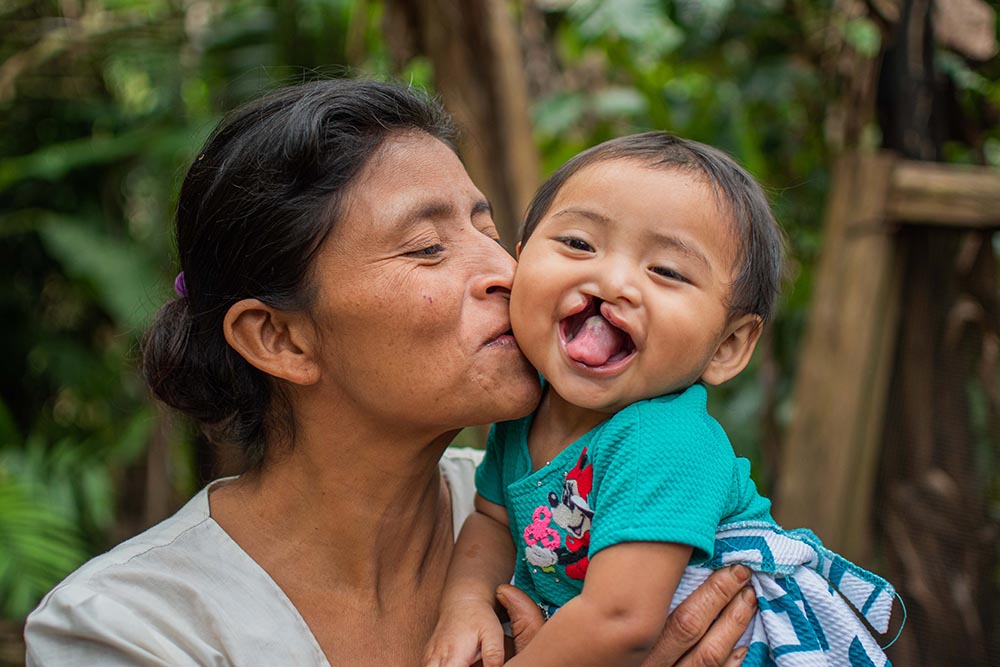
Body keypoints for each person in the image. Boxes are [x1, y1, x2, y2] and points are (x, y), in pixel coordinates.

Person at [23, 80, 759, 666]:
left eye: (489, 228)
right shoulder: (129, 628)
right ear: (281, 337)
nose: (507, 271)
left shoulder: (574, 500)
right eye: (427, 249)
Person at [424, 133, 898, 667]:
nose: (612, 281)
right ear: (519, 261)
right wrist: (465, 605)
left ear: (727, 346)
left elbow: (620, 622)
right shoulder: (523, 411)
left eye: (667, 271)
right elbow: (492, 521)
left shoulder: (664, 438)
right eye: (579, 243)